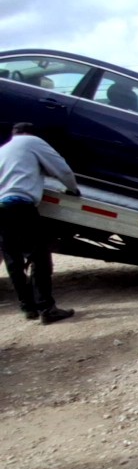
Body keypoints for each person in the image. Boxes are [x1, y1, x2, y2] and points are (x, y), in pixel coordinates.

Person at [0, 122, 78, 324]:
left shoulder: (4, 149)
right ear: (32, 133)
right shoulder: (32, 141)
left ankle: (28, 308)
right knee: (40, 258)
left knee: (13, 260)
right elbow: (62, 169)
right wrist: (73, 189)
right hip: (21, 208)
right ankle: (47, 309)